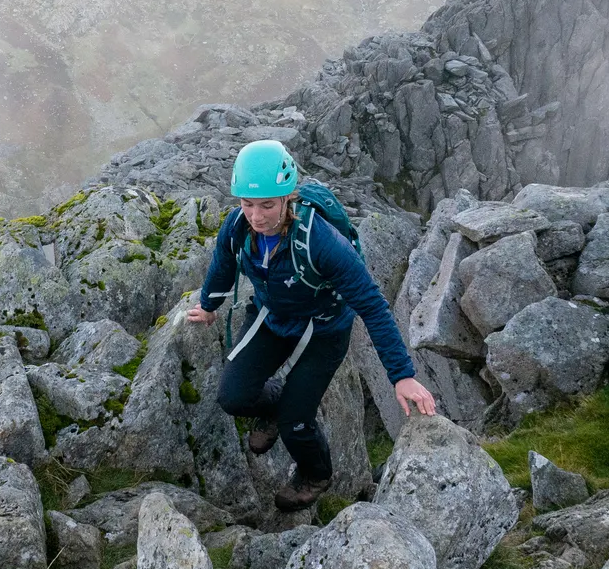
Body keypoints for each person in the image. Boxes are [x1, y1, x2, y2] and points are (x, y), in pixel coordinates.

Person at [187, 139, 436, 510]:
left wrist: (401, 375)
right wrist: (209, 306)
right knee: (233, 397)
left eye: (267, 204)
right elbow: (223, 262)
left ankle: (315, 473)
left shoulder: (319, 240)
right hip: (272, 316)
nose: (256, 216)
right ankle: (270, 407)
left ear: (287, 197)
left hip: (323, 330)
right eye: (247, 203)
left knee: (296, 420)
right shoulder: (238, 226)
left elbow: (371, 304)